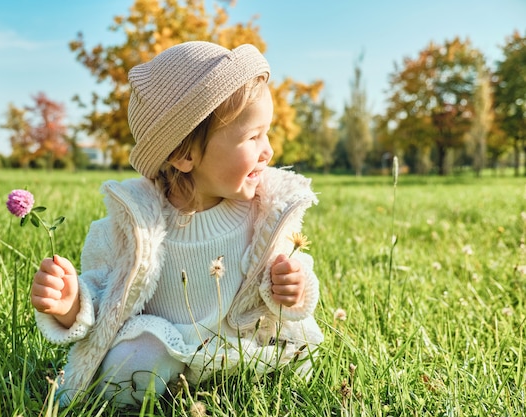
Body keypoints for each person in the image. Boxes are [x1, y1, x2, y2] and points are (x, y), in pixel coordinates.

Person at [30, 41, 324, 407]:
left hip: (242, 349)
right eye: (253, 137)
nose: (269, 151)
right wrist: (71, 302)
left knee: (295, 360)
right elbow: (104, 297)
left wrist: (294, 288)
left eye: (267, 133)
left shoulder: (265, 214)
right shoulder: (134, 226)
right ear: (184, 155)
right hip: (168, 345)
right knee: (131, 363)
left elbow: (292, 277)